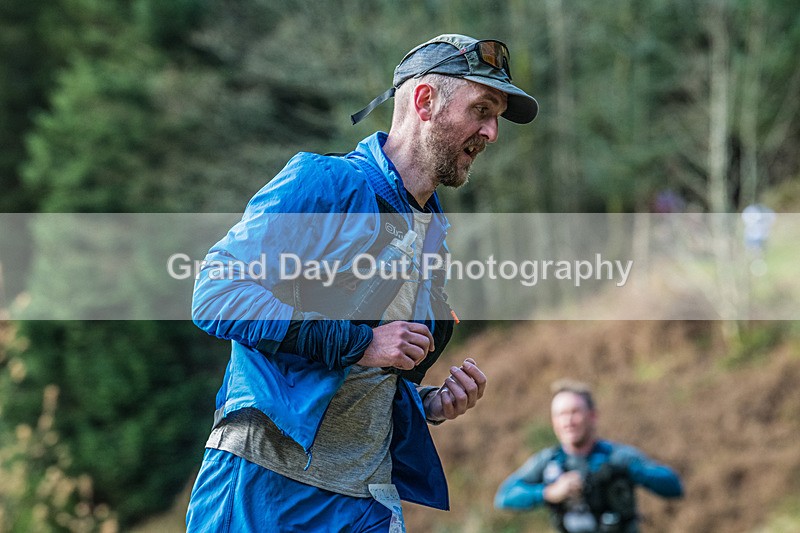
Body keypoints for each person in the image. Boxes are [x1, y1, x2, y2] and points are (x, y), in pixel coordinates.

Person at [185, 34, 539, 531]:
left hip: (366, 500)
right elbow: (215, 294)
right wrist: (361, 343)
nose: (492, 131)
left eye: (497, 116)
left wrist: (426, 404)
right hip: (264, 487)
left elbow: (367, 374)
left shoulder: (432, 231)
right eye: (481, 109)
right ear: (424, 101)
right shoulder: (324, 184)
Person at [495, 380, 683, 533]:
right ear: (554, 422)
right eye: (561, 415)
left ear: (592, 416)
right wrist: (549, 493)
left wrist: (628, 471)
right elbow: (505, 496)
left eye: (574, 412)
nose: (567, 421)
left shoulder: (618, 456)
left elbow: (674, 485)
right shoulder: (549, 461)